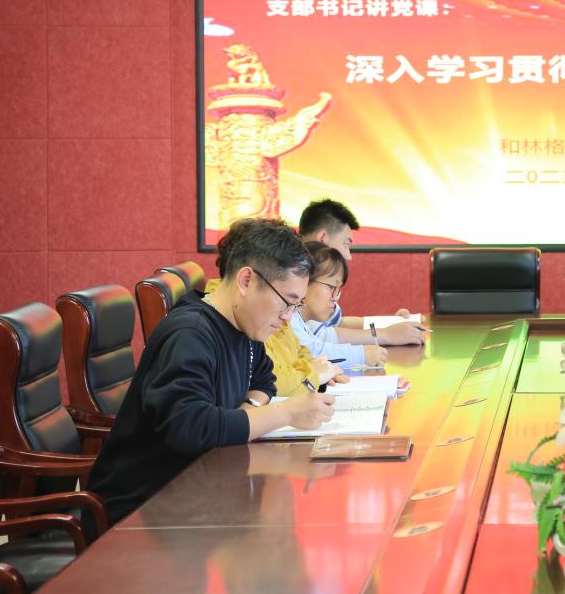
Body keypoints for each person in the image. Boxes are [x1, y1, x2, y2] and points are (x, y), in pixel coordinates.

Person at [89, 218, 335, 523]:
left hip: (198, 492)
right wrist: (285, 414)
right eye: (288, 302)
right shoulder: (190, 334)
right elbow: (191, 427)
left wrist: (246, 409)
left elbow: (264, 378)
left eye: (295, 307)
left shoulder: (245, 325)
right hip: (142, 510)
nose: (287, 317)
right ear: (246, 280)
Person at [290, 200, 425, 370]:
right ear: (323, 238)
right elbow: (317, 341)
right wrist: (383, 336)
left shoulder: (317, 290)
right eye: (346, 244)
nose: (348, 256)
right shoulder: (294, 290)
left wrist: (392, 323)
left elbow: (338, 322)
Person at [264, 240, 351, 396]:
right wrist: (313, 375)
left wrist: (320, 371)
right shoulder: (261, 322)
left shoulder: (285, 313)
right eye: (331, 287)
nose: (288, 317)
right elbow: (270, 380)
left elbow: (302, 352)